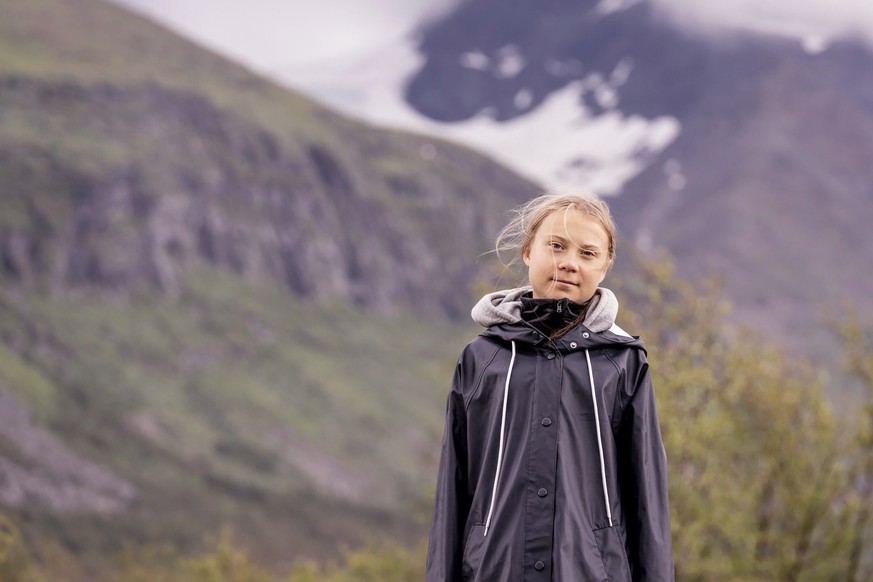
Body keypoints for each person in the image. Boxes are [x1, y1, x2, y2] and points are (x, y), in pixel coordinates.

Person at [426, 193, 674, 581]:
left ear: (605, 266)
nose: (569, 263)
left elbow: (648, 501)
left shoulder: (624, 363)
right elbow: (452, 489)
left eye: (587, 253)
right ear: (528, 251)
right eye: (556, 246)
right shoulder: (482, 359)